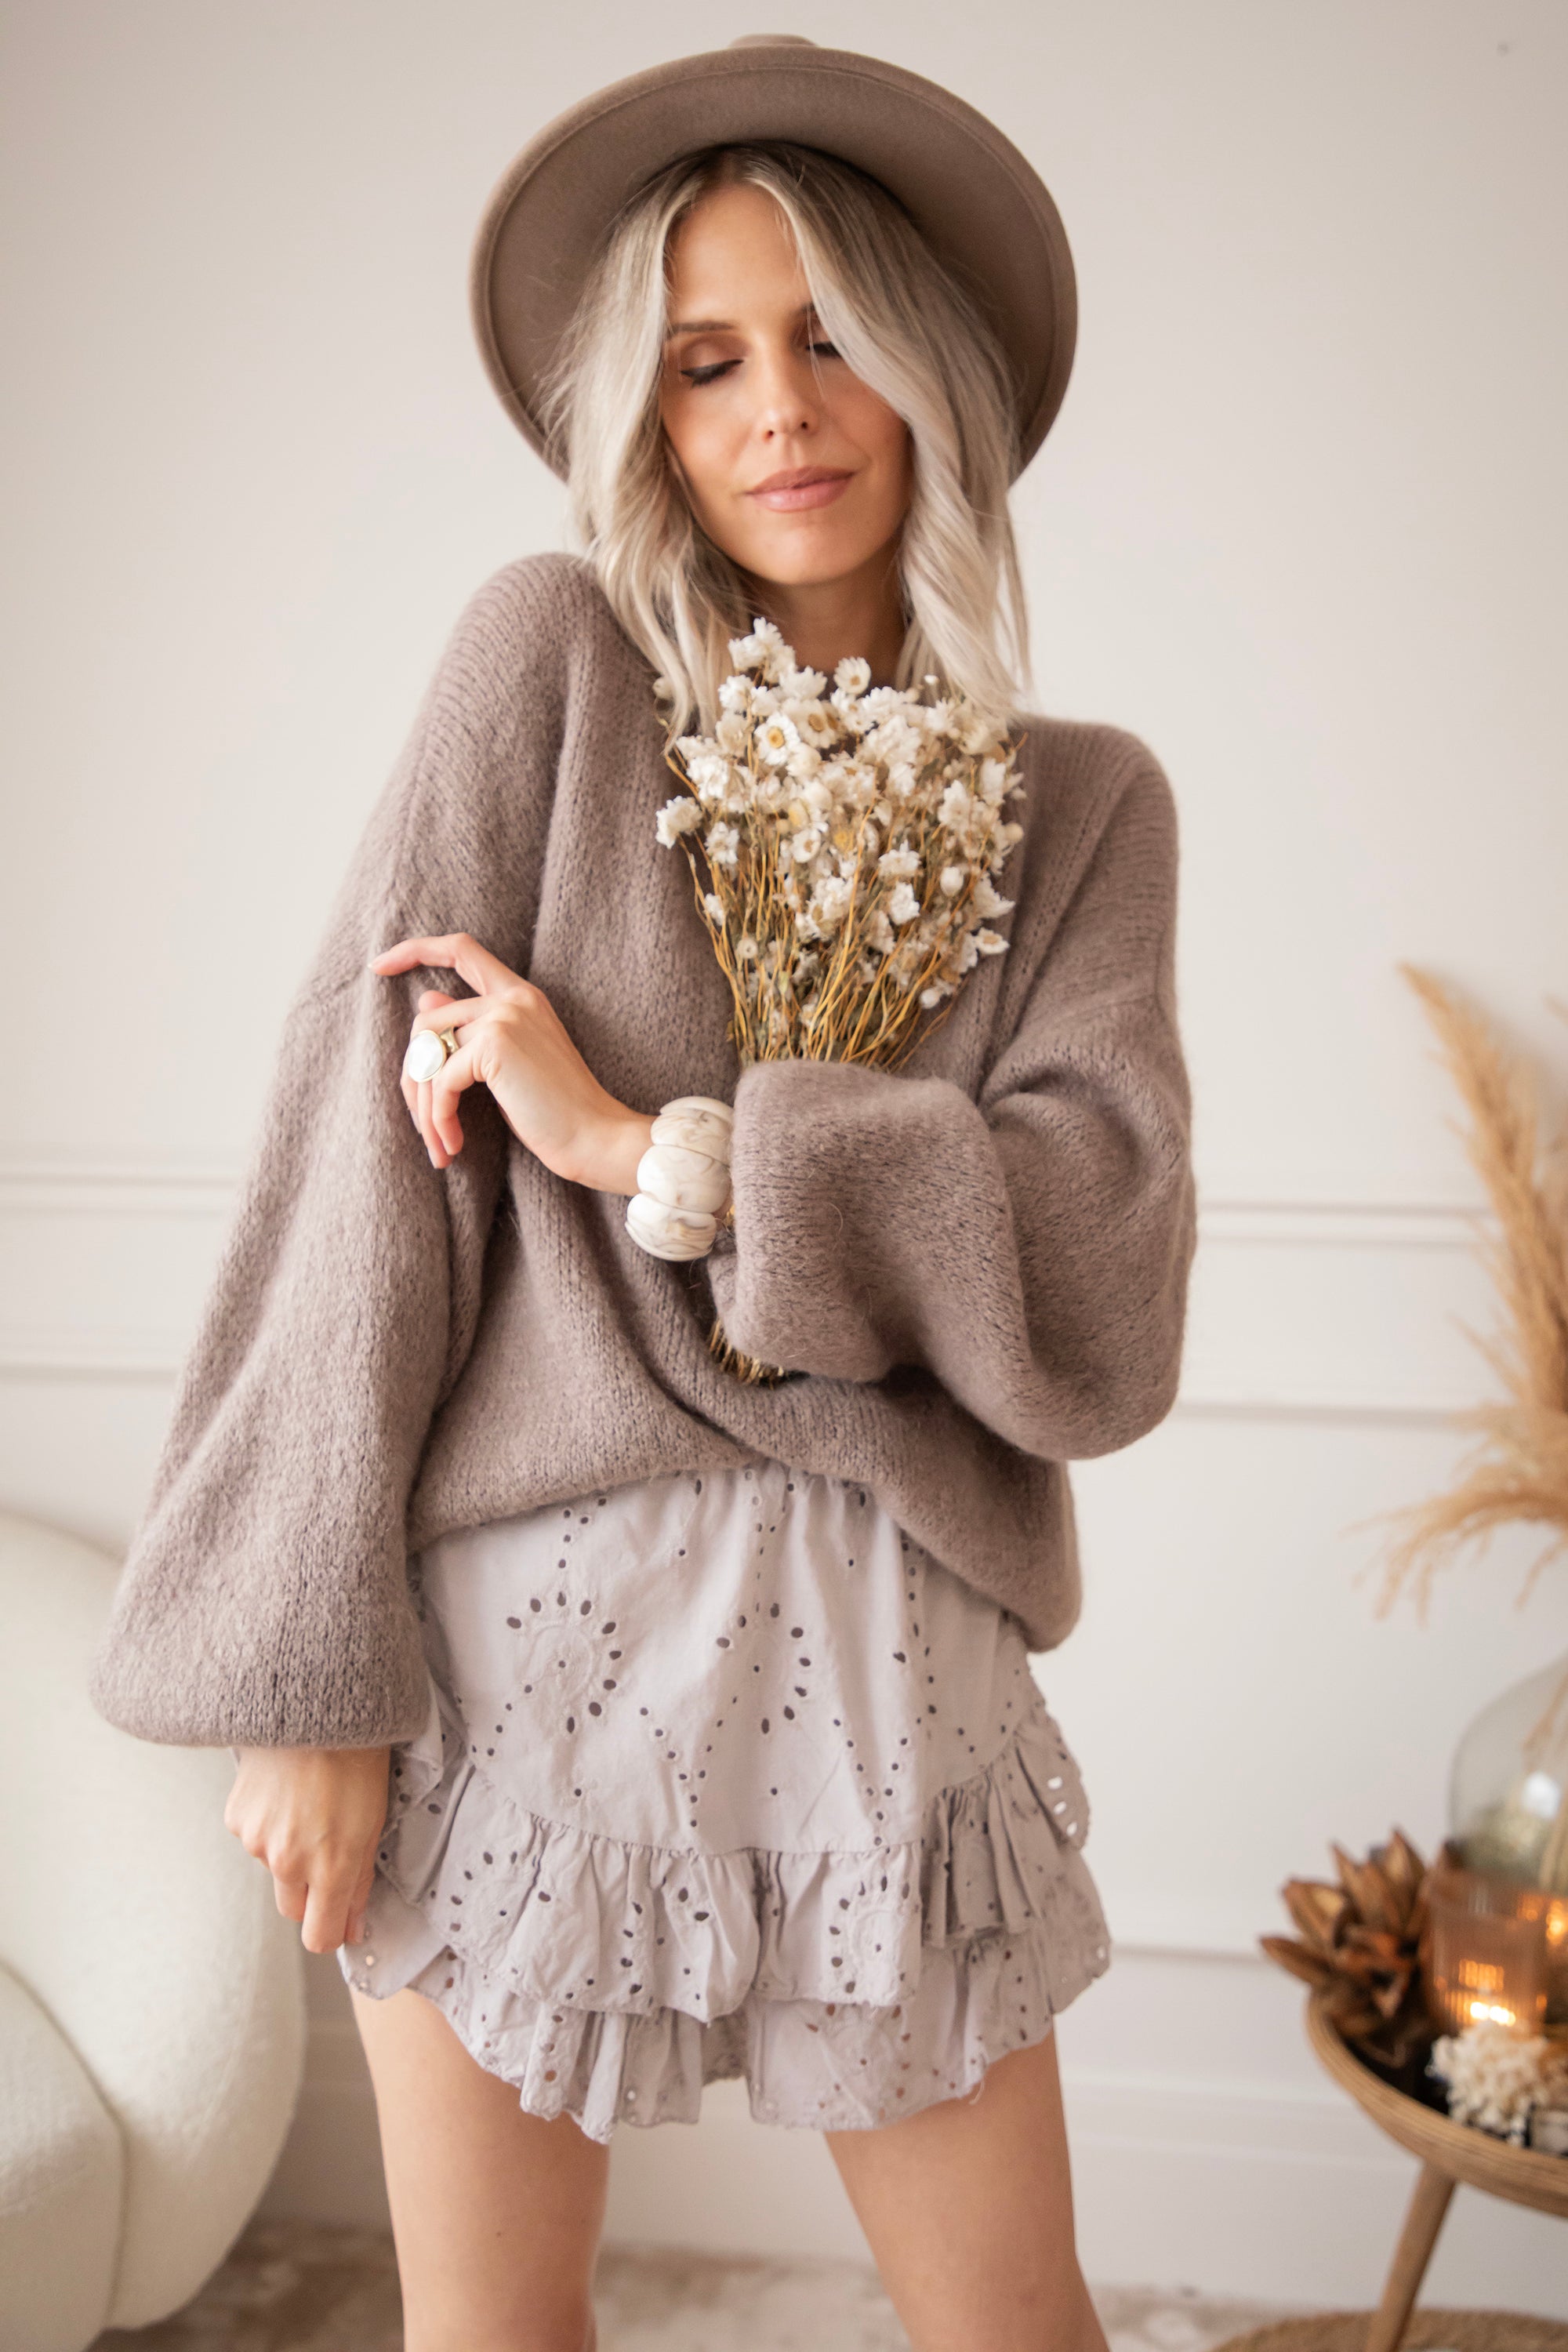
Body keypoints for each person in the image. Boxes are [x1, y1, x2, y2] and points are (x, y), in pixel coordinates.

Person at [89, 36, 1197, 2352]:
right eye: (709, 362)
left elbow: (1096, 1267)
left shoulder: (1086, 806)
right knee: (496, 2336)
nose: (781, 408)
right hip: (519, 1651)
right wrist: (312, 1672)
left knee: (1019, 2330)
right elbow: (351, 1165)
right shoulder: (548, 663)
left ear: (933, 371)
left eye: (833, 335)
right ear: (652, 423)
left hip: (892, 1655)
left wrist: (651, 1152)